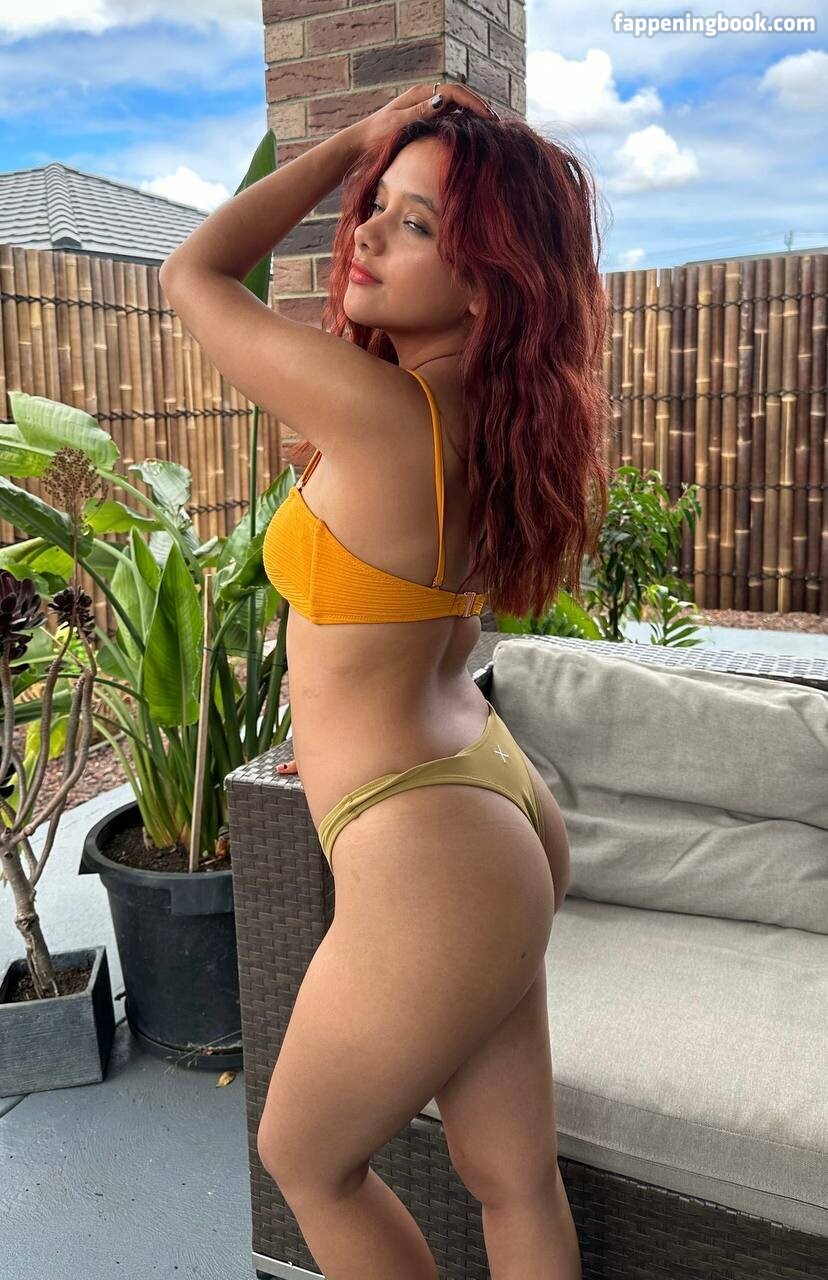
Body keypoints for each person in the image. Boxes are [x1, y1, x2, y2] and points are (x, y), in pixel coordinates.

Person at [160, 81, 610, 1279]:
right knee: (512, 1175)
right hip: (483, 804)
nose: (362, 233)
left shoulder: (384, 413)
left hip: (431, 845)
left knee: (306, 1157)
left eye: (415, 223)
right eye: (376, 203)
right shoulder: (480, 416)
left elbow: (193, 275)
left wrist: (350, 144)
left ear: (485, 284)